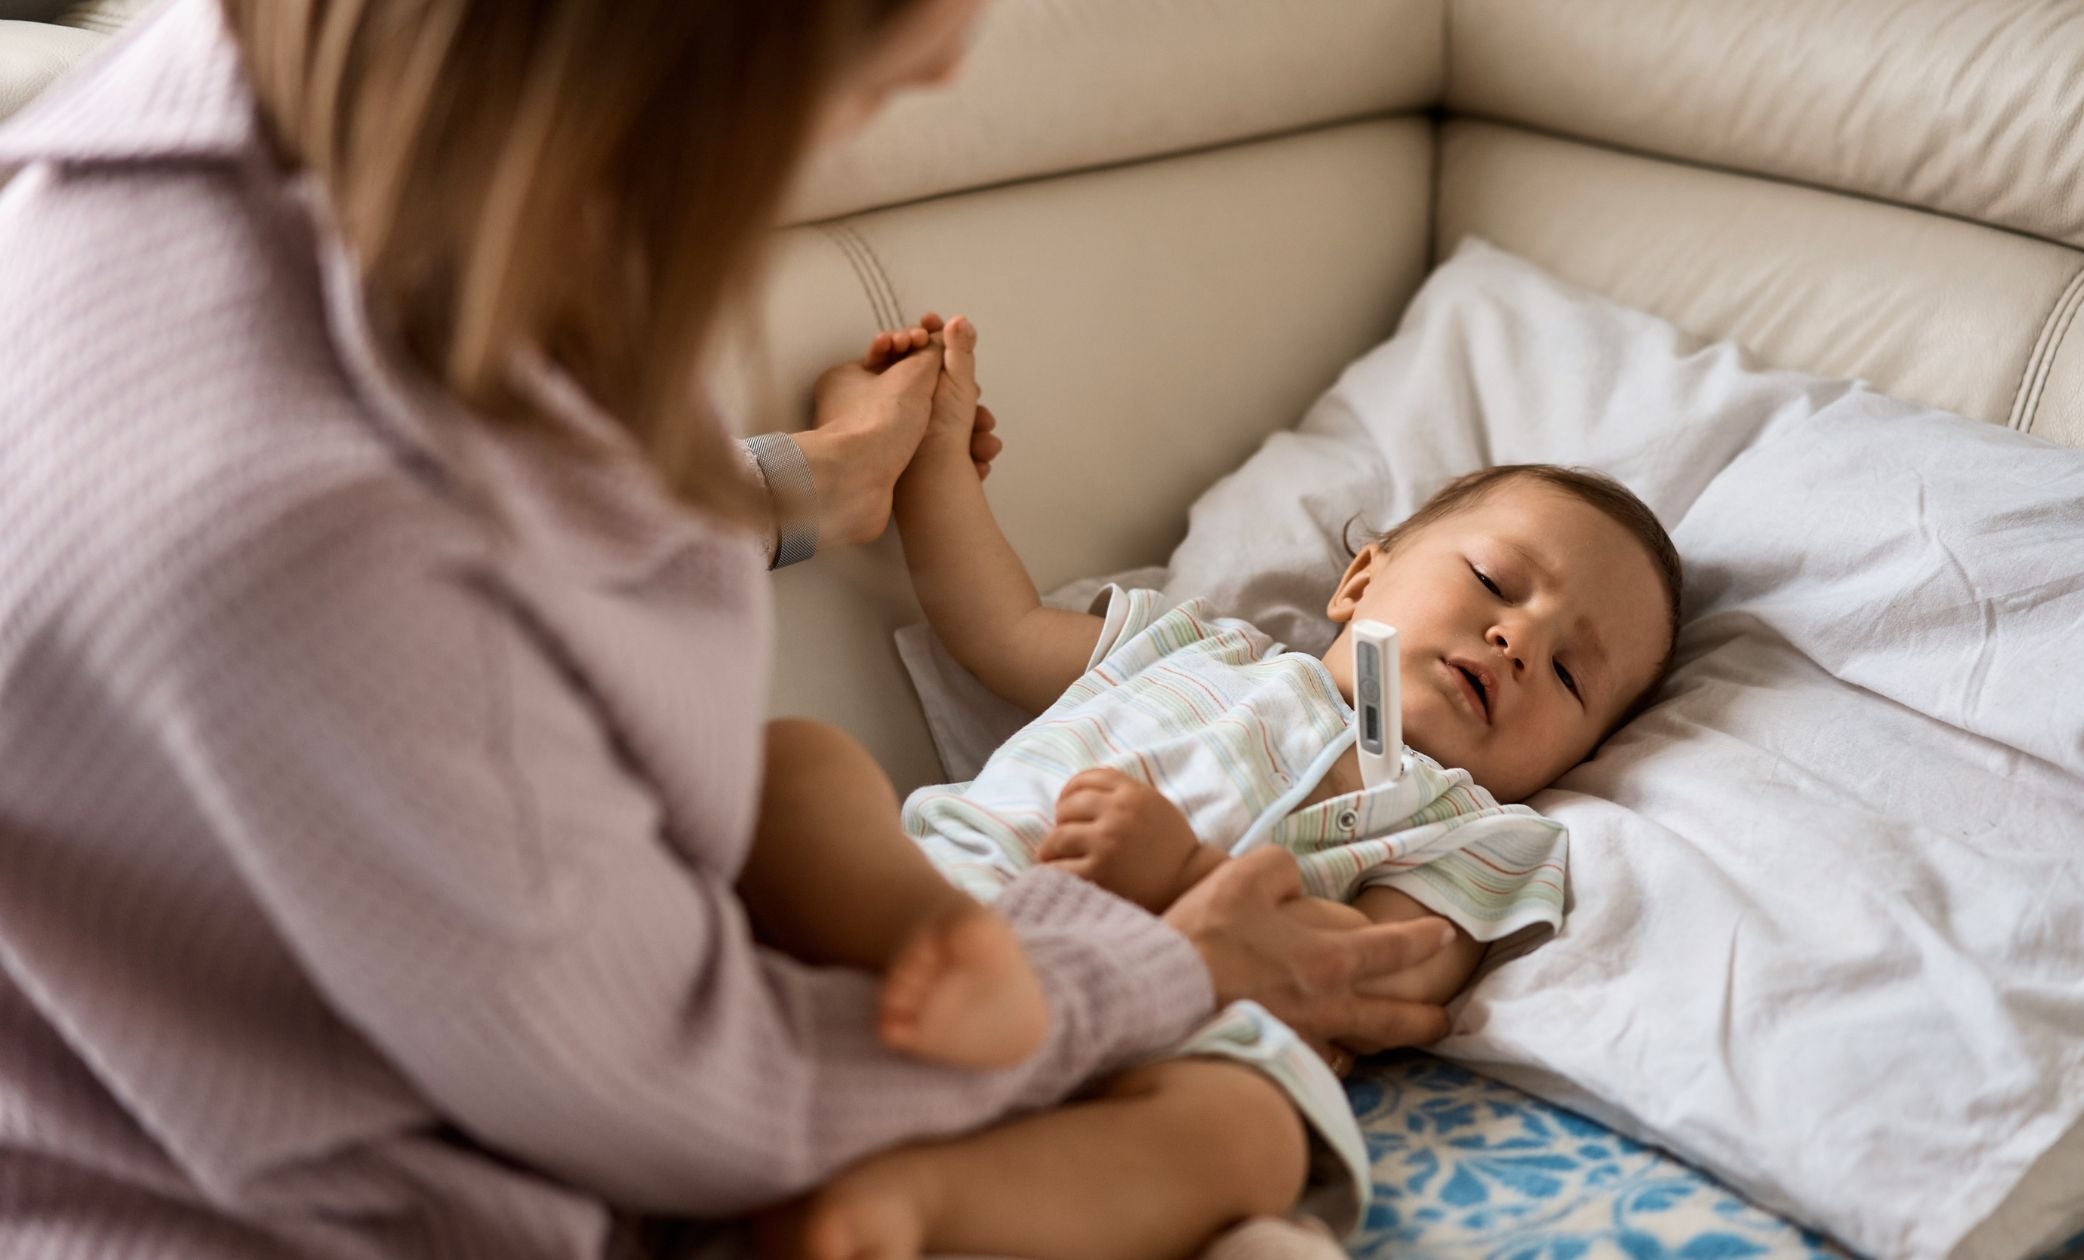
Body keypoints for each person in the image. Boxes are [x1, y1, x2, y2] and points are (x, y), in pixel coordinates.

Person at [0, 2, 1462, 1257]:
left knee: (1238, 1131)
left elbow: (508, 542)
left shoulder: (214, 141)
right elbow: (678, 1097)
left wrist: (793, 485)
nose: (955, 61)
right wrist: (1172, 953)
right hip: (476, 1174)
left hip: (726, 1007)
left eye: (1578, 657)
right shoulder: (327, 541)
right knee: (829, 787)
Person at [756, 318, 1683, 1259]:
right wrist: (938, 455)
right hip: (962, 901)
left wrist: (1182, 870)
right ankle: (930, 974)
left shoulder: (1475, 829)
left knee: (1256, 1135)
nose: (1519, 642)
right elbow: (995, 625)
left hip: (1185, 1029)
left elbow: (1379, 973)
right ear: (1361, 581)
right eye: (1494, 581)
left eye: (1571, 675)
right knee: (797, 774)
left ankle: (921, 1206)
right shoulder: (1193, 646)